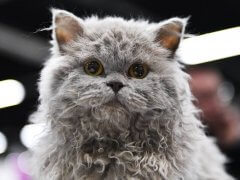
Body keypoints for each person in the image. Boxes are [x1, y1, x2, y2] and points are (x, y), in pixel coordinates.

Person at [189, 67, 240, 179]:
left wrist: (232, 143)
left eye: (219, 92)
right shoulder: (186, 143)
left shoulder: (232, 126)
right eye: (205, 97)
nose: (216, 103)